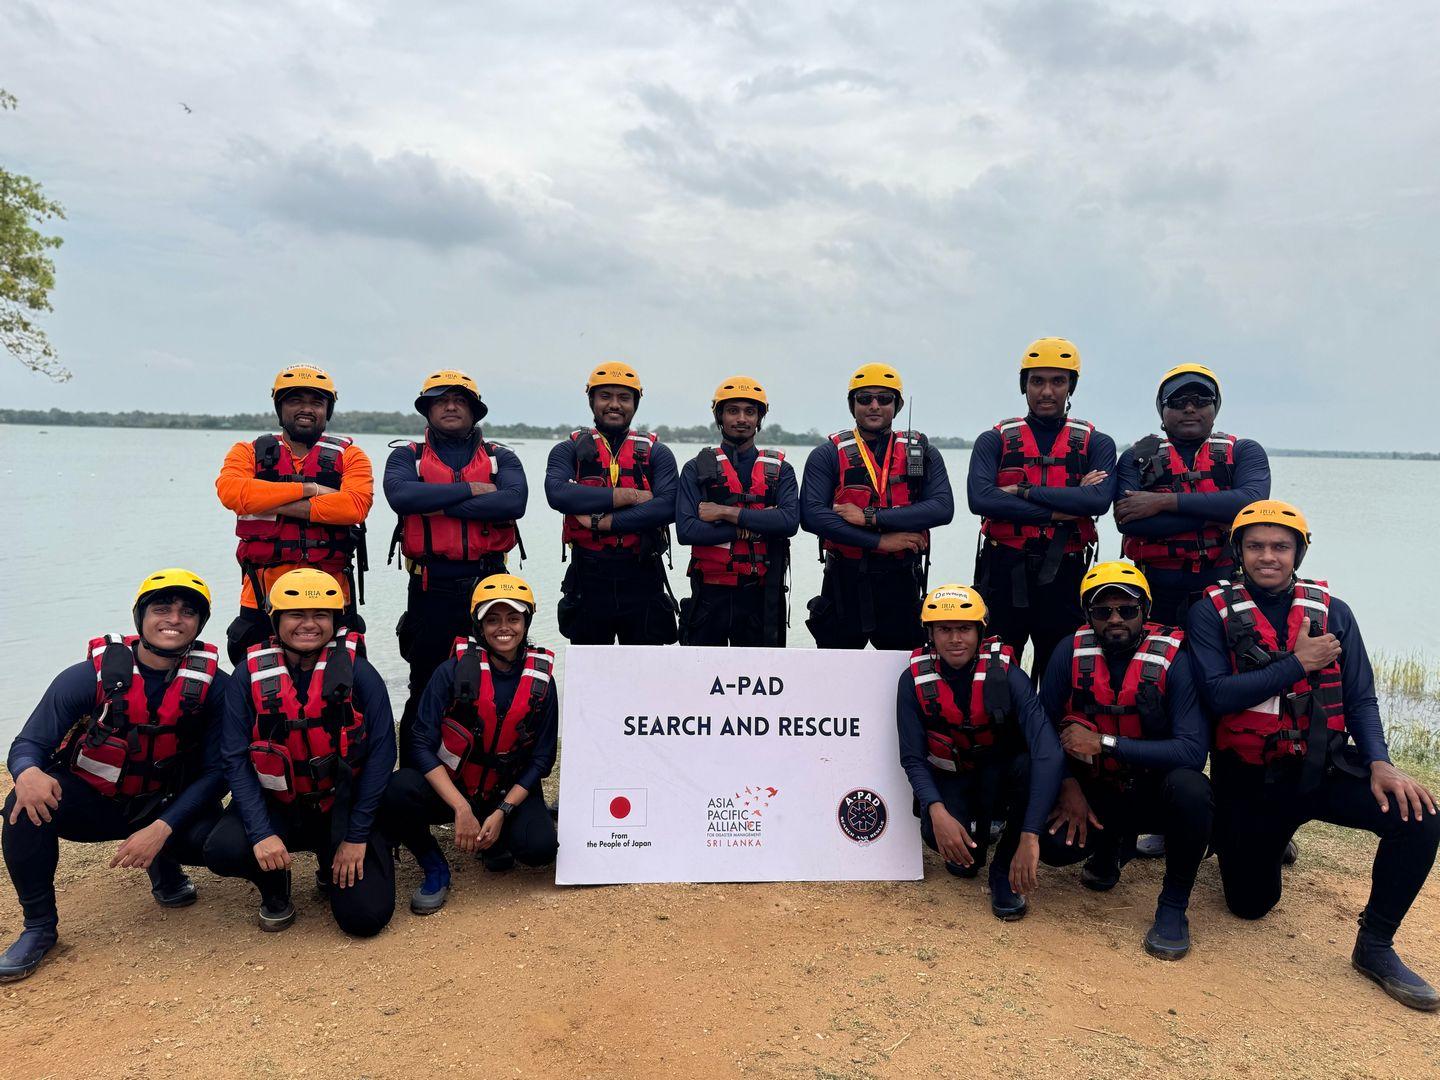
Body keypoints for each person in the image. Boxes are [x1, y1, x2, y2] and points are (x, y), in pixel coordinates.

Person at [1188, 500, 1440, 1010]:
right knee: (1250, 906)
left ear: (1298, 552)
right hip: (1251, 776)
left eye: (1280, 546)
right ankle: (1258, 839)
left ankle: (1375, 944)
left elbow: (1362, 696)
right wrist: (1298, 663)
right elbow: (1217, 695)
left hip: (1320, 766)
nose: (1268, 557)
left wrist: (1380, 763)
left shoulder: (1333, 612)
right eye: (1255, 546)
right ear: (1238, 551)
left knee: (1419, 816)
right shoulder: (1208, 612)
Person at [1, 570, 228, 982]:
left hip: (168, 807)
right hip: (94, 804)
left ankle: (165, 862)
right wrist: (26, 771)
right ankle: (38, 927)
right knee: (21, 804)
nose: (174, 619)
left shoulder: (216, 687)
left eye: (187, 612)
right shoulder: (87, 676)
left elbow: (218, 773)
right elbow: (29, 742)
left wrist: (162, 828)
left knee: (219, 841)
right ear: (141, 616)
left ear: (199, 624)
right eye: (162, 608)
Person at [203, 569, 396, 937]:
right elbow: (235, 759)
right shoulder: (248, 676)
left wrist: (356, 837)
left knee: (365, 919)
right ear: (276, 621)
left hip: (342, 804)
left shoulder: (360, 672)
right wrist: (260, 832)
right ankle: (275, 885)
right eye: (297, 615)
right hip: (279, 804)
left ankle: (332, 861)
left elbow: (382, 755)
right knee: (224, 848)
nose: (309, 624)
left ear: (335, 621)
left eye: (320, 615)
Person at [1037, 561, 1213, 960]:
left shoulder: (1177, 659)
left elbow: (1191, 751)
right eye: (1102, 611)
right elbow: (1042, 732)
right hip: (1095, 790)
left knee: (1193, 790)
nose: (1115, 619)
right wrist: (1067, 787)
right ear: (1088, 616)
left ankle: (1173, 904)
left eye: (1127, 610)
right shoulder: (1068, 652)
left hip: (1153, 791)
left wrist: (1105, 741)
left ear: (1145, 612)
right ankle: (1110, 845)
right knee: (1053, 848)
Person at [383, 575, 558, 913]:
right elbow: (420, 744)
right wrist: (461, 808)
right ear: (478, 624)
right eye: (492, 619)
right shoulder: (450, 673)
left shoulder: (542, 683)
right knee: (397, 790)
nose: (503, 628)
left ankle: (494, 838)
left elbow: (541, 759)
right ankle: (434, 865)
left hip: (504, 792)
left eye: (513, 618)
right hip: (453, 789)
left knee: (540, 849)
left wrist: (503, 811)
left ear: (526, 623)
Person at [384, 369, 527, 766]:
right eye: (441, 400)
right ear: (427, 409)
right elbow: (401, 496)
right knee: (425, 683)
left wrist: (435, 502)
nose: (450, 406)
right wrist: (470, 490)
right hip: (430, 586)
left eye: (460, 400)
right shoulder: (405, 457)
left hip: (492, 583)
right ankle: (415, 782)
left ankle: (485, 778)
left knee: (494, 682)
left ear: (474, 410)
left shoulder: (502, 457)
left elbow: (514, 502)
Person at [895, 584, 1063, 920]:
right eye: (944, 629)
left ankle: (1003, 870)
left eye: (964, 628)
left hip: (1001, 777)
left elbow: (1049, 752)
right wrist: (937, 811)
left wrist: (1030, 835)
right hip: (954, 778)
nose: (955, 639)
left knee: (1032, 766)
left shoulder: (1009, 676)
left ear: (980, 632)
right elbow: (913, 758)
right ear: (930, 633)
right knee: (959, 863)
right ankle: (970, 830)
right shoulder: (911, 681)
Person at [968, 338, 1116, 681]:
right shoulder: (994, 440)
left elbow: (1096, 502)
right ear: (1025, 386)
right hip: (1003, 570)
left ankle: (1051, 733)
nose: (1047, 391)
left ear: (1071, 386)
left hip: (1065, 573)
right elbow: (982, 499)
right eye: (1037, 381)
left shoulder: (1097, 443)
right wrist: (1061, 508)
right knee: (996, 671)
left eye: (1057, 381)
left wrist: (1022, 492)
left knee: (1059, 672)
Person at [216, 364, 374, 665]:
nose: (306, 409)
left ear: (327, 410)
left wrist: (266, 499)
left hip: (330, 597)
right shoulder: (246, 452)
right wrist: (314, 489)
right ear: (279, 407)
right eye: (295, 401)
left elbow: (354, 507)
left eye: (316, 402)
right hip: (261, 597)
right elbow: (232, 494)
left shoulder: (351, 456)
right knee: (254, 685)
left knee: (341, 683)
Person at [801, 364, 953, 650]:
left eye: (884, 399)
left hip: (902, 581)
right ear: (852, 405)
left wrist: (870, 517)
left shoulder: (921, 452)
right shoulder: (827, 455)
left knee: (904, 672)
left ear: (897, 406)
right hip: (843, 580)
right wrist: (880, 541)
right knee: (836, 675)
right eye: (864, 399)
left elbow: (943, 508)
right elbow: (812, 516)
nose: (874, 406)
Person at [1115, 365, 1271, 625]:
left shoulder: (1244, 452)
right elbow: (1130, 521)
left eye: (1201, 401)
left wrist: (1163, 502)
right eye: (1177, 401)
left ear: (1215, 408)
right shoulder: (1136, 457)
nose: (1189, 408)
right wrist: (1216, 516)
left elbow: (1250, 503)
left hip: (1225, 586)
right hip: (1154, 587)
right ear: (1162, 411)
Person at [544, 362, 679, 645]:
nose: (614, 405)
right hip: (588, 574)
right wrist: (629, 496)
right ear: (592, 400)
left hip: (642, 573)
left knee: (646, 672)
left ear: (635, 403)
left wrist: (604, 521)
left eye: (624, 398)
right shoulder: (567, 450)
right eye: (605, 396)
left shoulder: (658, 453)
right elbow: (557, 494)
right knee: (591, 675)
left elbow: (667, 507)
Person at [675, 376, 800, 646]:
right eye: (733, 411)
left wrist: (724, 512)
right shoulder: (695, 469)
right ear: (720, 416)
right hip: (710, 594)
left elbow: (789, 522)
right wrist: (757, 527)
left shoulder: (781, 471)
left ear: (759, 418)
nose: (741, 418)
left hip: (761, 596)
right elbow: (687, 531)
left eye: (750, 412)